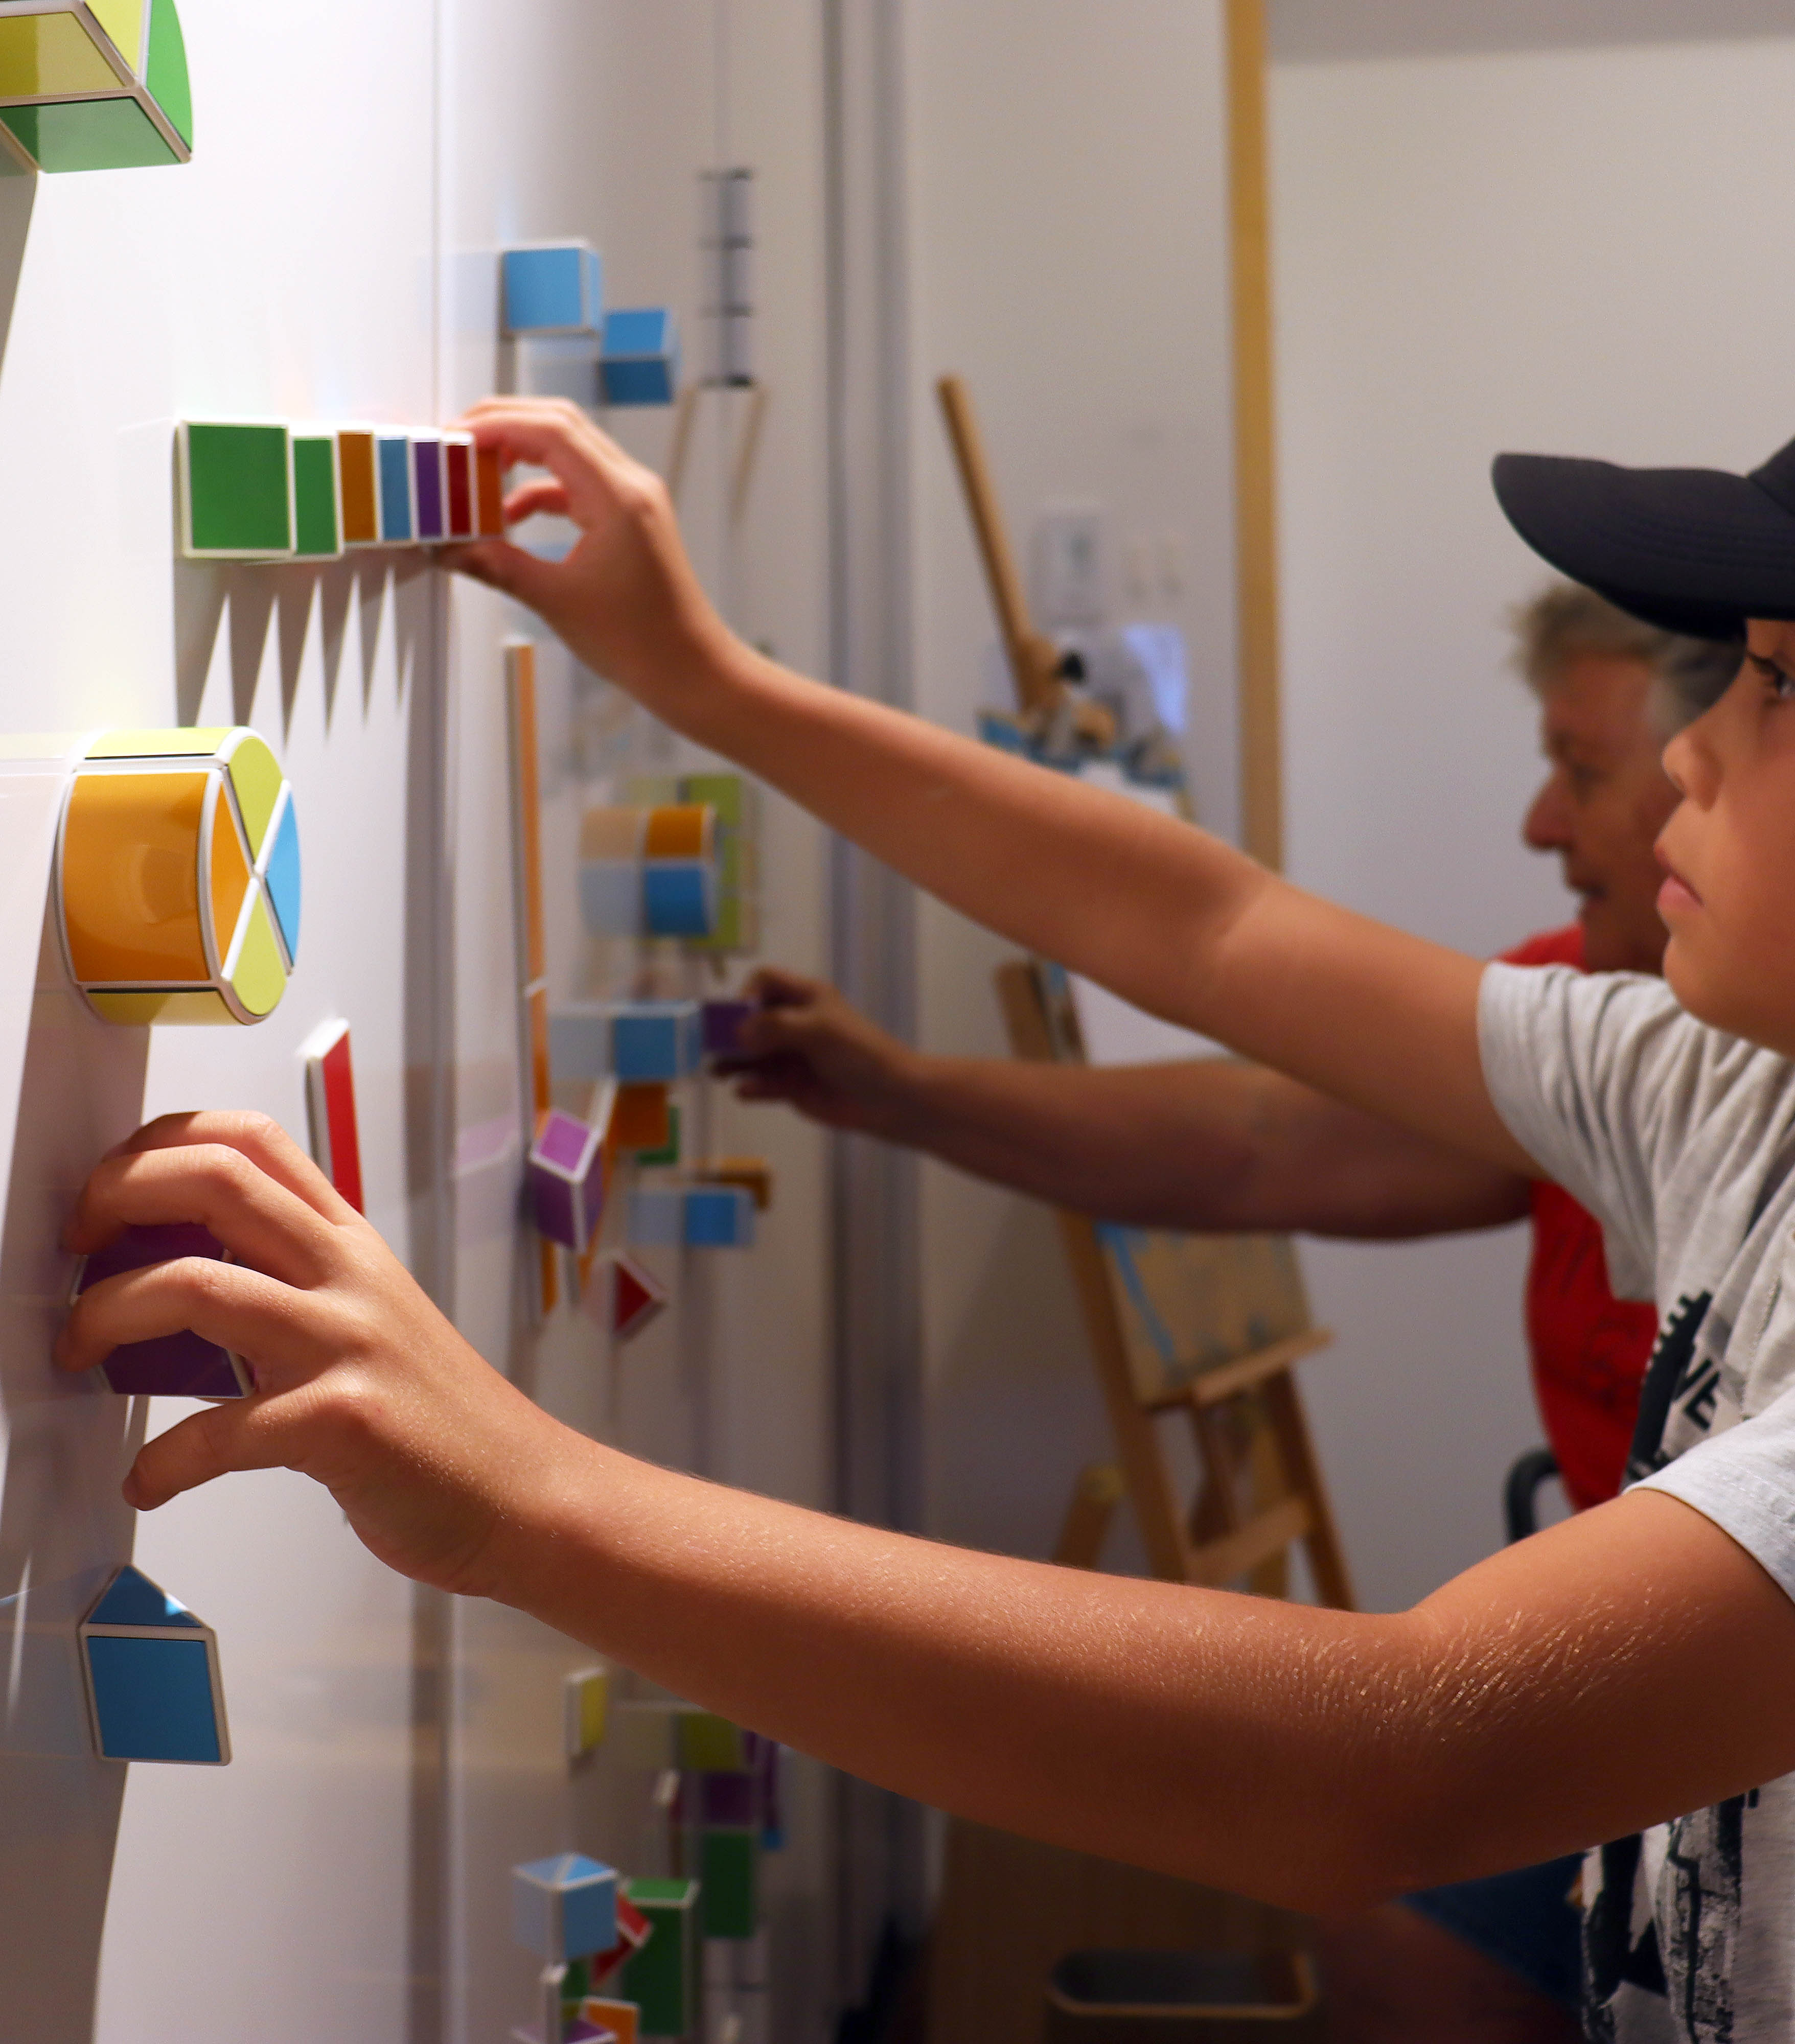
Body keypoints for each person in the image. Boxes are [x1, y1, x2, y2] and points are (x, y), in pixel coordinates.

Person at [60, 302, 1795, 2040]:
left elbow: (1390, 1757)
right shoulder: (1762, 1097)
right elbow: (1213, 934)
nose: (1690, 748)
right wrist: (704, 680)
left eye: (1790, 686)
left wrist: (525, 1493)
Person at [706, 586, 1733, 2038]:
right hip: (1621, 1692)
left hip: (1703, 1724)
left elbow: (1218, 957)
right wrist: (903, 1090)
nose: (1540, 828)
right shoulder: (1619, 1042)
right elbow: (1254, 1114)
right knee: (1394, 1933)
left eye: (1581, 771)